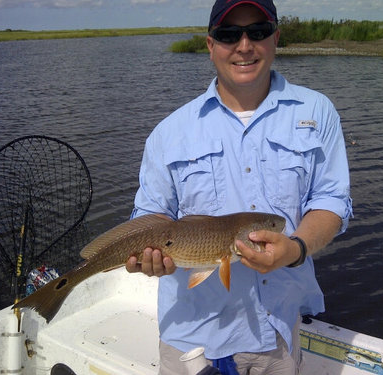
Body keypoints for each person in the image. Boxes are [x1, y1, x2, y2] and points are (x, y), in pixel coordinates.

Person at [126, 0, 352, 374]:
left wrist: (294, 249)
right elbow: (150, 214)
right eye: (229, 34)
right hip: (191, 337)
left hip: (277, 331)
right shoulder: (169, 132)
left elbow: (331, 200)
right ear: (210, 44)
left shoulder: (317, 112)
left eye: (257, 32)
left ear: (276, 38)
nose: (244, 45)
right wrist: (147, 258)